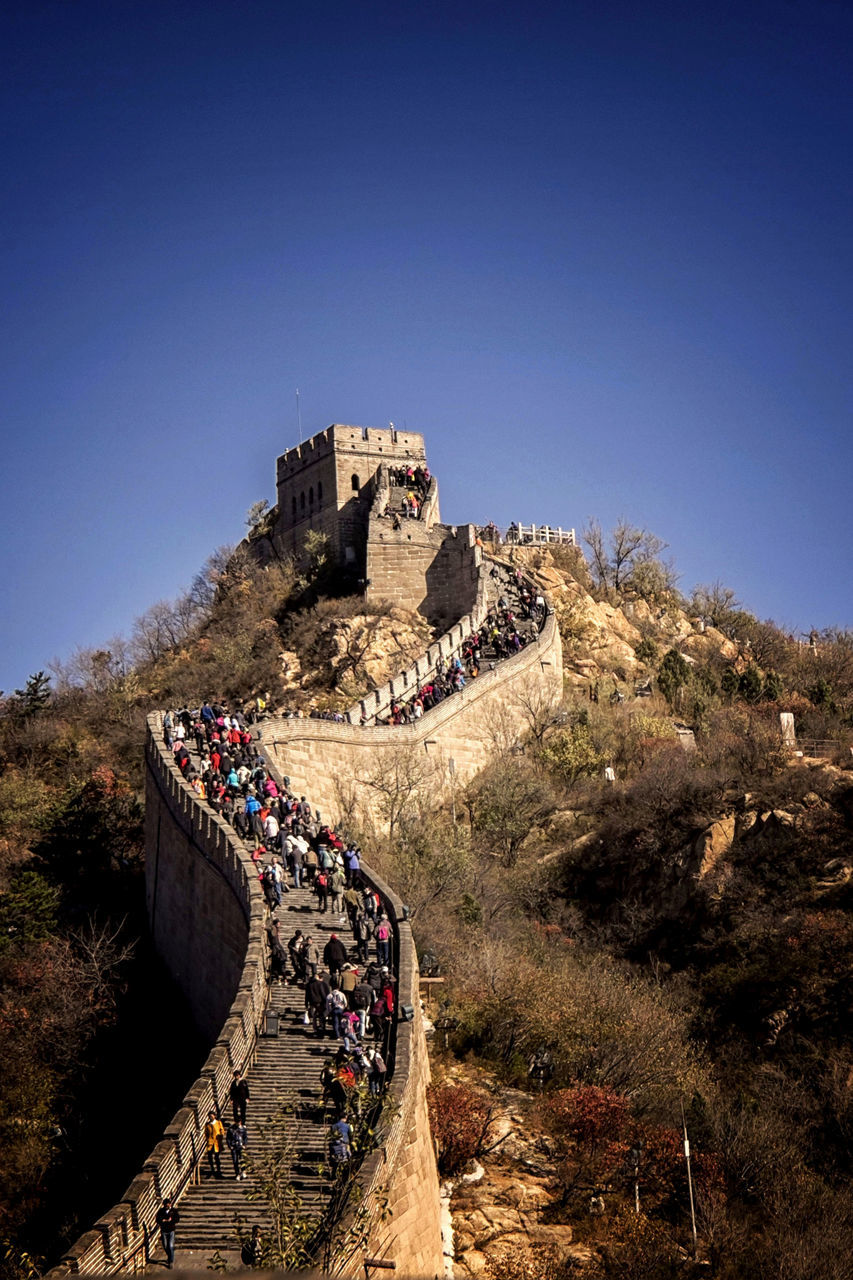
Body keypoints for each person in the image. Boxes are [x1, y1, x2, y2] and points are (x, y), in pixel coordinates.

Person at [155, 1197, 180, 1269]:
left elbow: (177, 1219)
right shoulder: (161, 1211)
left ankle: (170, 1261)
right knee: (165, 1246)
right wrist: (162, 1220)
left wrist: (171, 1220)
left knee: (170, 1246)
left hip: (171, 1230)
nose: (167, 1205)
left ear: (170, 1204)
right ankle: (169, 1256)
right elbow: (157, 1219)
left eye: (168, 1204)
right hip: (164, 1230)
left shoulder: (174, 1211)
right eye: (165, 1204)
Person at [205, 1109, 225, 1178]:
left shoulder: (218, 1122)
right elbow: (206, 1133)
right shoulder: (207, 1125)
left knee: (217, 1157)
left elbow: (222, 1130)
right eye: (209, 1116)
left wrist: (220, 1135)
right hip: (210, 1143)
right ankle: (212, 1169)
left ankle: (218, 1169)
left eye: (211, 1116)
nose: (210, 1117)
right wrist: (208, 1139)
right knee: (210, 1157)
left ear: (214, 1116)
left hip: (217, 1142)